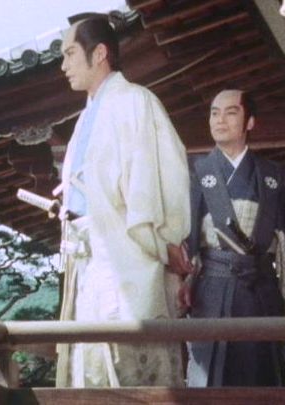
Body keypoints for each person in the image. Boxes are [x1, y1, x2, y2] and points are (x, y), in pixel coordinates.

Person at [55, 16, 192, 388]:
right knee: (91, 366)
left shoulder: (135, 101)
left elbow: (155, 180)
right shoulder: (86, 117)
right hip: (87, 255)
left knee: (129, 364)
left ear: (99, 53)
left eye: (70, 53)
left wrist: (166, 240)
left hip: (125, 251)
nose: (63, 65)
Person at [183, 89, 285, 387]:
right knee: (208, 374)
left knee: (262, 372)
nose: (219, 120)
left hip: (260, 286)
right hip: (210, 285)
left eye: (230, 112)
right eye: (214, 113)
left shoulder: (274, 177)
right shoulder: (194, 173)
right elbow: (179, 233)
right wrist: (182, 279)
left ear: (250, 122)